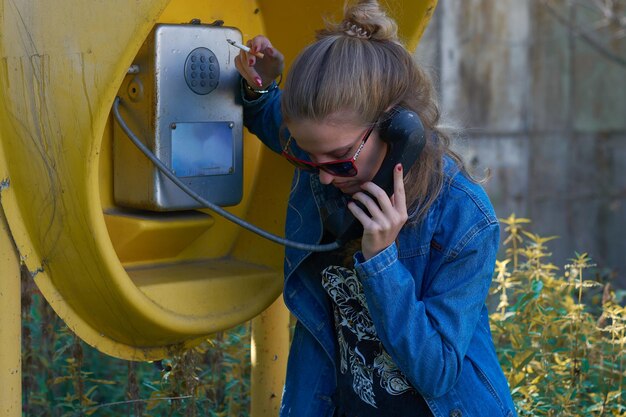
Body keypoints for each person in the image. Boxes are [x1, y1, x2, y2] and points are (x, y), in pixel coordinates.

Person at [235, 1, 516, 416]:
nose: (325, 177)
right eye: (309, 160)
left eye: (339, 159)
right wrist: (261, 87)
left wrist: (383, 263)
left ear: (397, 127)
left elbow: (436, 371)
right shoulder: (325, 153)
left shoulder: (463, 218)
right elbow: (276, 122)